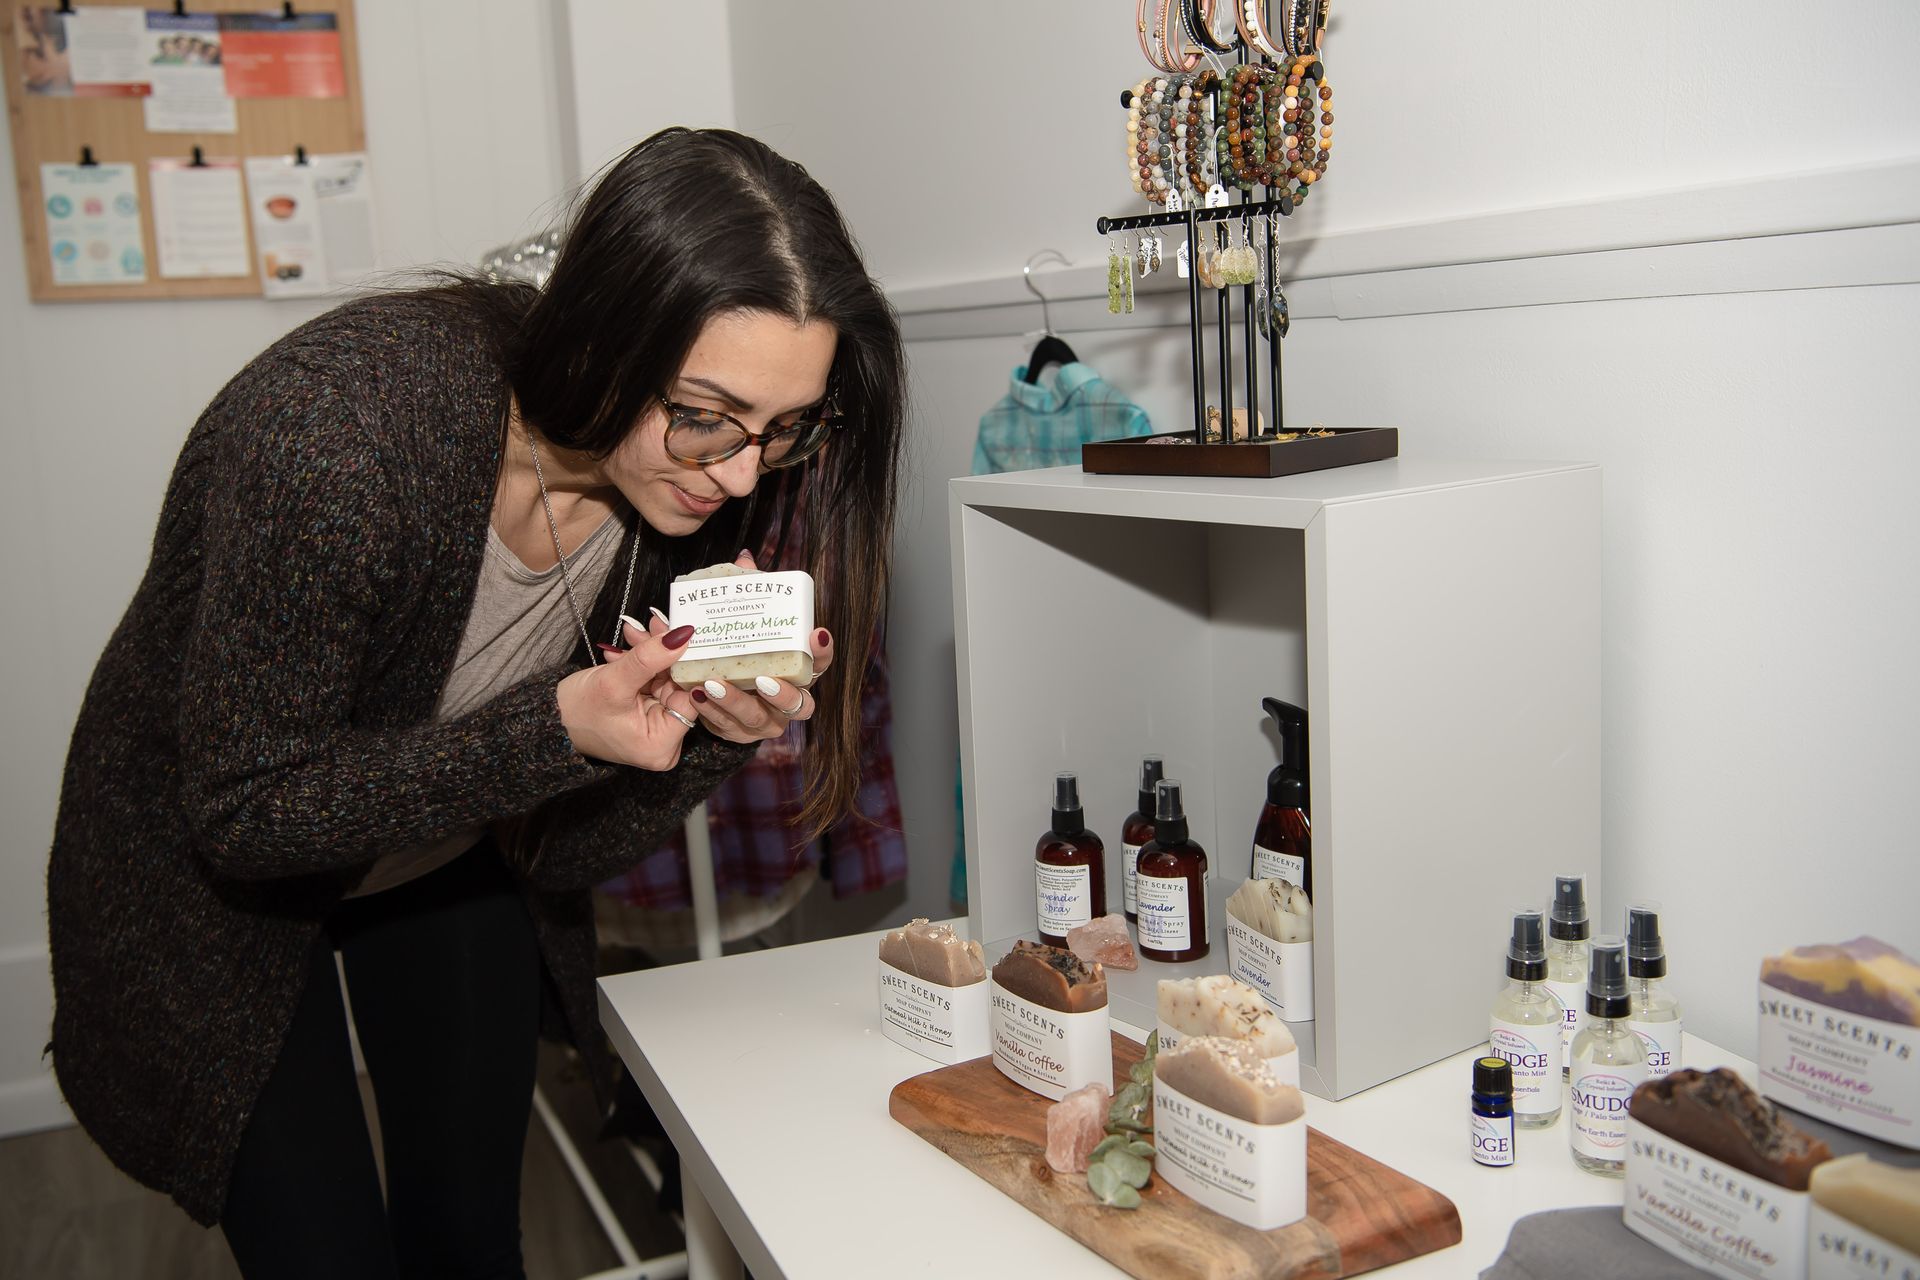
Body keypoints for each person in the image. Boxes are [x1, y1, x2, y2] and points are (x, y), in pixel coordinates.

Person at [45, 127, 904, 1280]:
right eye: (709, 414)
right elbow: (246, 812)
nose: (746, 475)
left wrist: (699, 733)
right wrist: (552, 727)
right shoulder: (337, 436)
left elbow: (559, 851)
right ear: (604, 331)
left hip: (442, 855)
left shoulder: (703, 477)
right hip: (217, 880)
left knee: (468, 1238)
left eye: (786, 427)